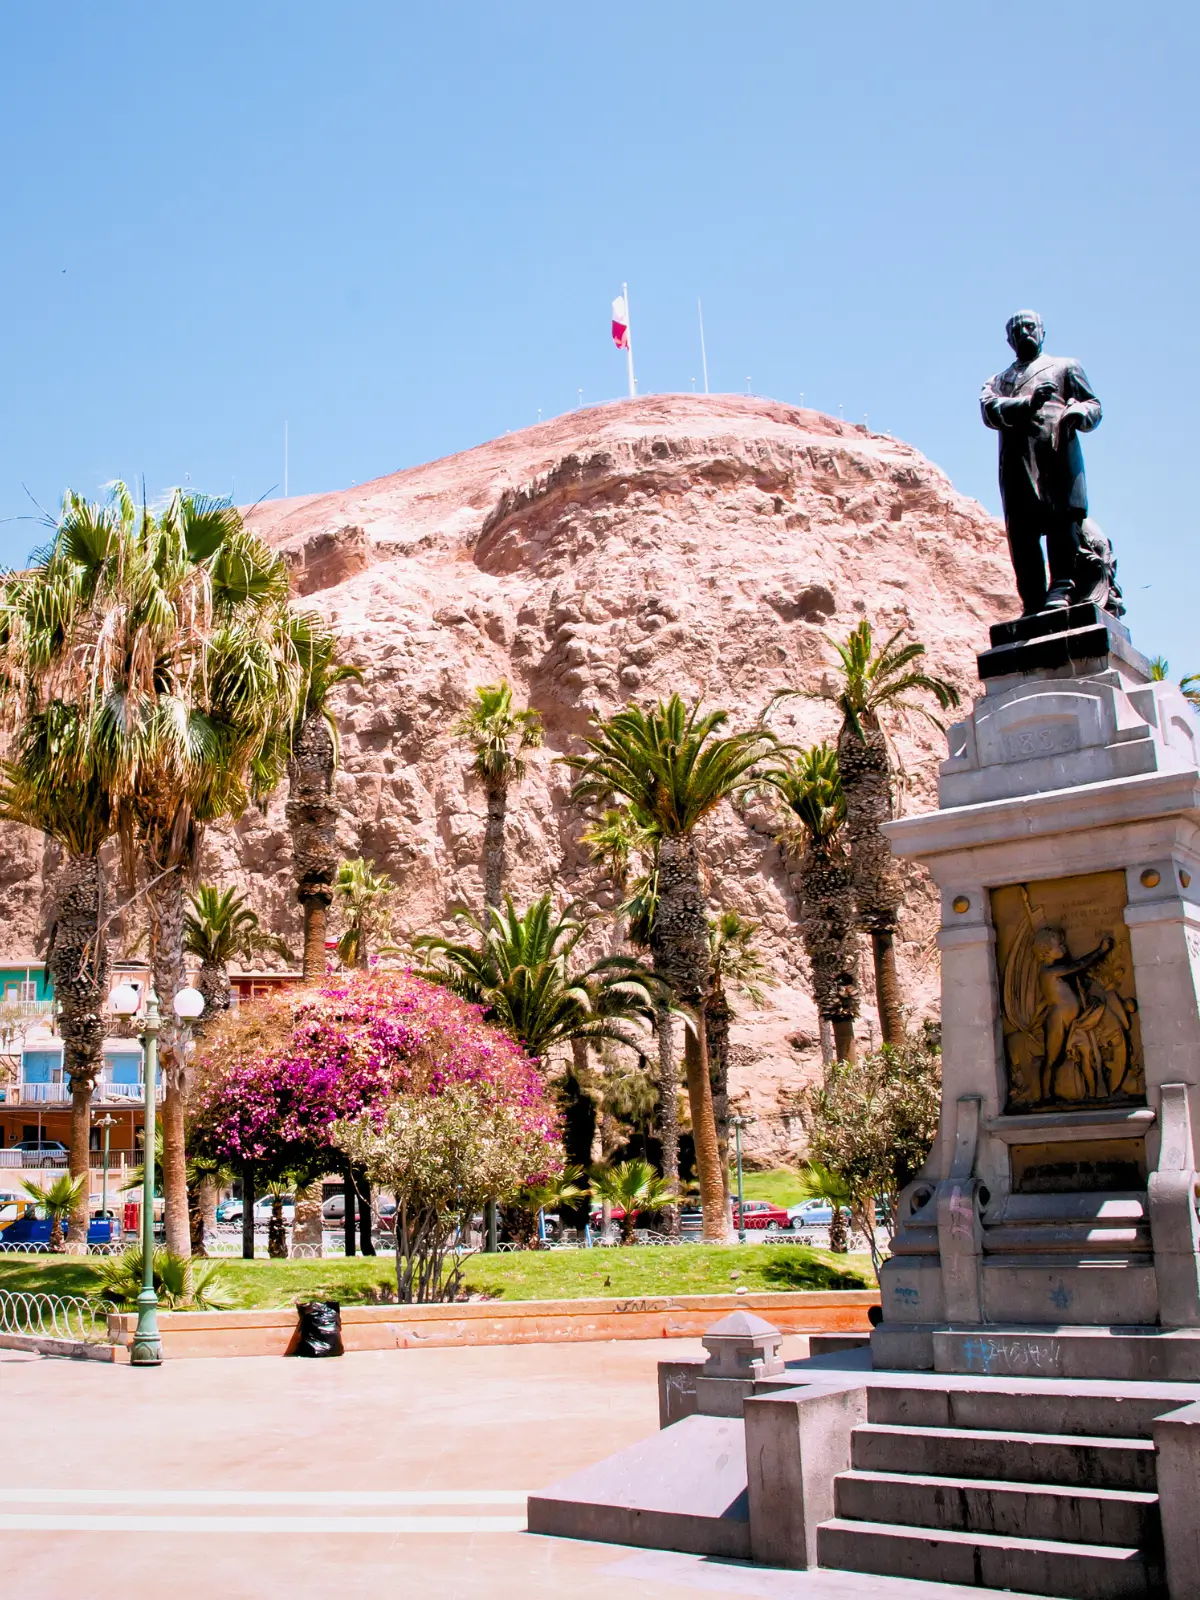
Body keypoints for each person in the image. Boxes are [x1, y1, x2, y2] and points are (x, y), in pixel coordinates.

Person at [981, 310, 1102, 616]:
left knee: (1062, 522)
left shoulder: (1065, 367)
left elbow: (1093, 405)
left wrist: (1080, 414)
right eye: (1017, 329)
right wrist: (1029, 402)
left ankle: (1062, 586)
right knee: (1022, 534)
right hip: (1017, 462)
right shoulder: (998, 380)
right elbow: (989, 411)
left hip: (1056, 454)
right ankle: (1032, 599)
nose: (1024, 332)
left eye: (1030, 327)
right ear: (1009, 339)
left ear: (1042, 331)